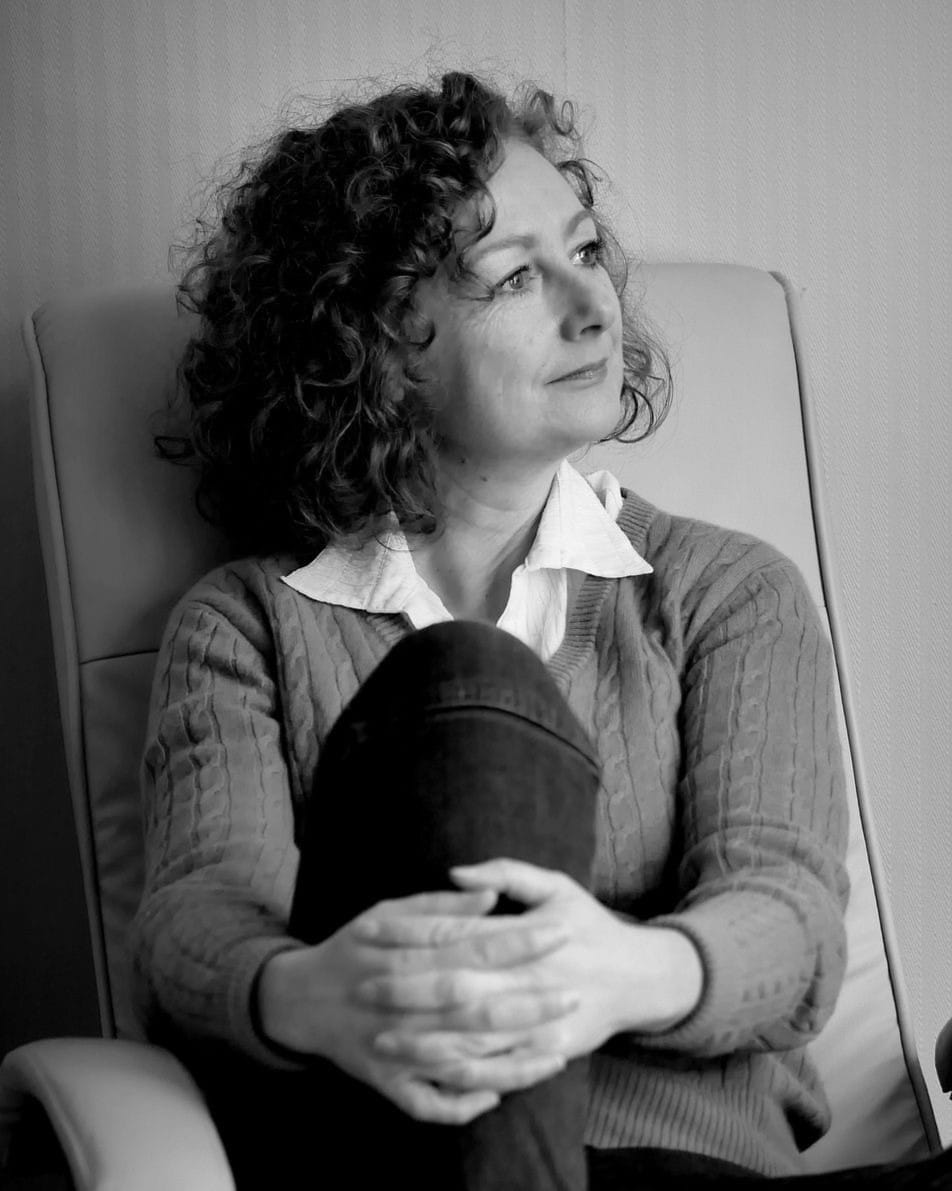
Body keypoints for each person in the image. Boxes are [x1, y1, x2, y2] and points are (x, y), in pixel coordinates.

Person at [134, 71, 952, 1189]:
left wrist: (614, 973)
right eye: (518, 275)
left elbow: (792, 926)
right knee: (467, 679)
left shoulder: (729, 593)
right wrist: (307, 992)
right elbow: (196, 925)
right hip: (400, 1159)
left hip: (689, 1173)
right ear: (376, 344)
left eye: (586, 250)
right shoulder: (246, 626)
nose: (596, 305)